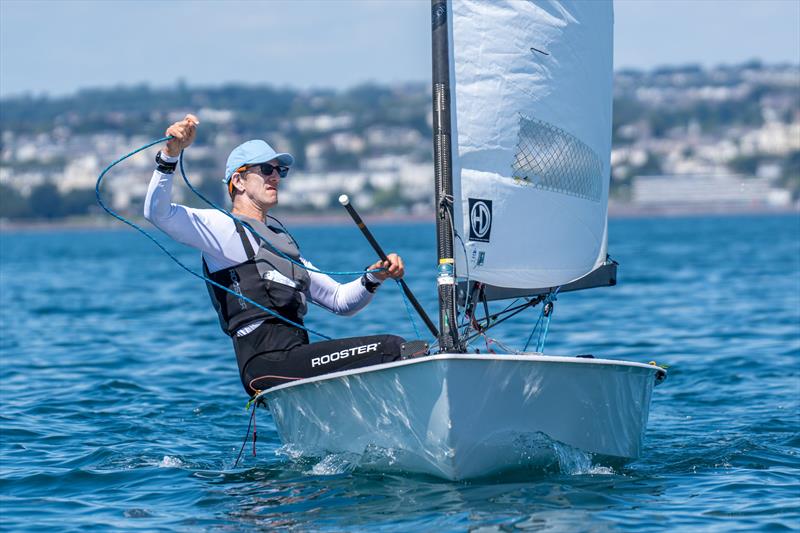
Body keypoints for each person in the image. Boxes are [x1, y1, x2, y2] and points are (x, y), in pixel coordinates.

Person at [144, 114, 406, 396]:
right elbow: (158, 214)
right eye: (266, 169)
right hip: (265, 365)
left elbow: (339, 301)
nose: (275, 177)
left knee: (396, 350)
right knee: (393, 348)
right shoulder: (223, 229)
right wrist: (170, 155)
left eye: (280, 171)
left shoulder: (282, 245)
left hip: (295, 360)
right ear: (239, 181)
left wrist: (374, 277)